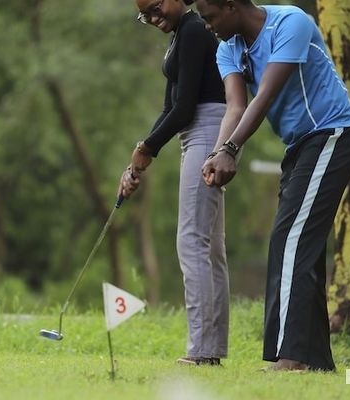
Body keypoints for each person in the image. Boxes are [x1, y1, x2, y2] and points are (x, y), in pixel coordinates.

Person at [194, 0, 350, 371]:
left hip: (331, 134)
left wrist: (231, 150)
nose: (207, 26)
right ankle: (315, 360)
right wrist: (218, 154)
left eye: (209, 17)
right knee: (301, 246)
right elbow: (236, 107)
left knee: (289, 240)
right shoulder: (228, 48)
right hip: (299, 146)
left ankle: (291, 358)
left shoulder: (290, 23)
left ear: (231, 5)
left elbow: (265, 93)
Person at [118, 0, 230, 366]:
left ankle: (201, 351)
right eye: (144, 15)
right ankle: (210, 350)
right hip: (193, 134)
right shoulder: (182, 34)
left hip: (207, 131)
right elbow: (171, 109)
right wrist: (140, 156)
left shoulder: (195, 30)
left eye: (155, 8)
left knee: (191, 240)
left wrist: (147, 149)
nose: (152, 19)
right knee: (209, 245)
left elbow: (184, 108)